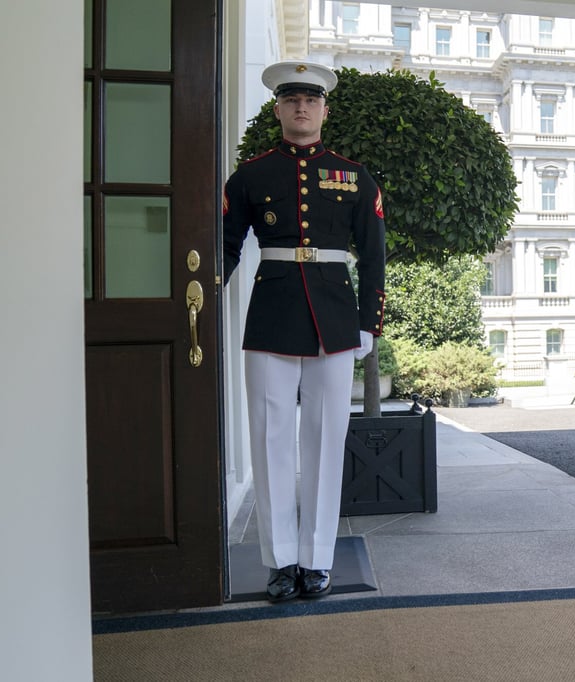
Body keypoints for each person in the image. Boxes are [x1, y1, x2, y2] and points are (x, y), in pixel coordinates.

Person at [223, 60, 386, 602]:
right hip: (271, 315)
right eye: (291, 99)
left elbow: (374, 256)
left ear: (324, 110)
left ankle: (317, 560)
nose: (301, 107)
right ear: (278, 109)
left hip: (334, 320)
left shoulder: (353, 176)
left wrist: (368, 322)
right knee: (270, 439)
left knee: (324, 439)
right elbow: (224, 247)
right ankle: (280, 562)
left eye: (310, 100)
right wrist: (195, 304)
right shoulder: (251, 175)